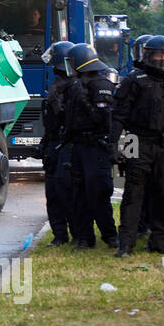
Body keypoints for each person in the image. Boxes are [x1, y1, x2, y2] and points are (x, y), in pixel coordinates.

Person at [111, 35, 164, 256]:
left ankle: (158, 239)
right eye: (158, 54)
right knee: (133, 192)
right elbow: (118, 116)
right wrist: (113, 146)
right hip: (135, 140)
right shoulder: (133, 80)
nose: (162, 59)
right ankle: (126, 243)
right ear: (148, 55)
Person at [61, 44, 119, 248]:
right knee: (79, 194)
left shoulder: (101, 84)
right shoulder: (75, 85)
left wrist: (84, 101)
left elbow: (102, 119)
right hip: (78, 146)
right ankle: (85, 237)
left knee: (99, 192)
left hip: (96, 147)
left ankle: (110, 236)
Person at [38, 41, 75, 245]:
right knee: (53, 193)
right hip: (54, 144)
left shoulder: (73, 88)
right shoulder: (58, 86)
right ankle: (60, 235)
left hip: (67, 145)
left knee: (65, 191)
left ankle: (73, 234)